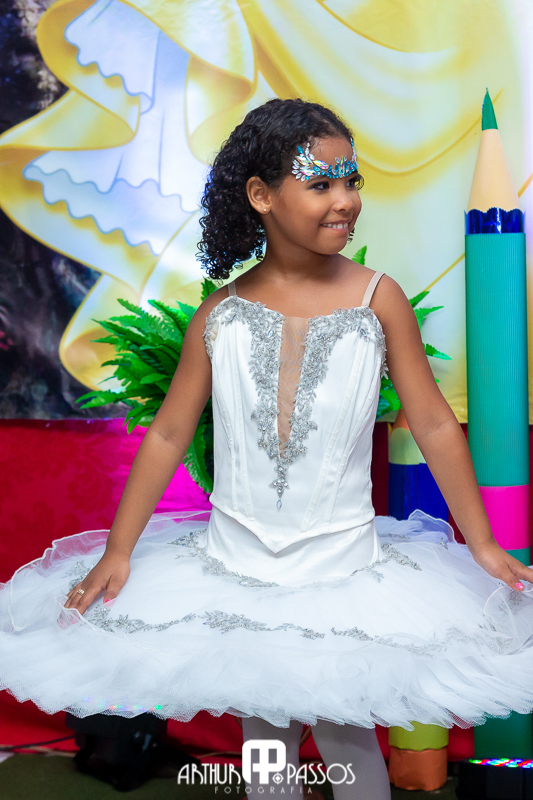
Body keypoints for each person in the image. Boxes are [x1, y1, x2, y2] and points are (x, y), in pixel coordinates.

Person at [2, 98, 533, 800]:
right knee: (266, 740)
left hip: (345, 567)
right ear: (261, 196)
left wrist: (481, 543)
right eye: (321, 184)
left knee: (347, 732)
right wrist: (119, 551)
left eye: (352, 181)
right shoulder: (220, 314)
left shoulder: (378, 300)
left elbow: (433, 424)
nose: (345, 200)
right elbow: (168, 433)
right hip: (236, 564)